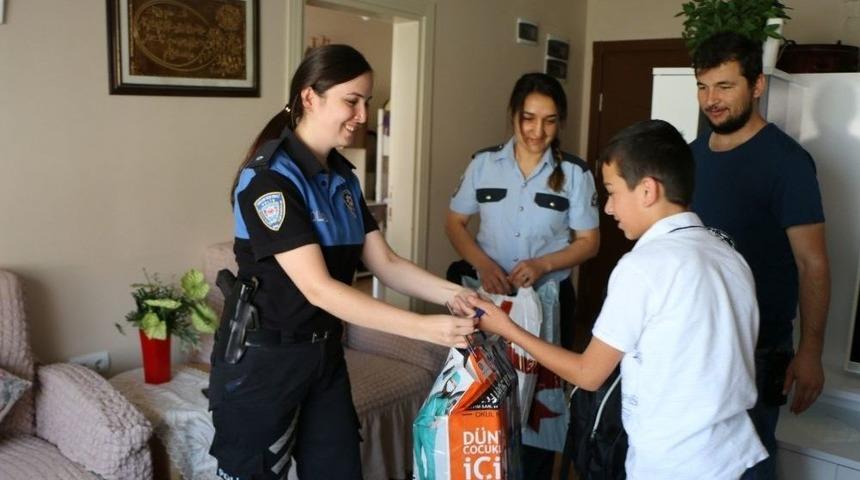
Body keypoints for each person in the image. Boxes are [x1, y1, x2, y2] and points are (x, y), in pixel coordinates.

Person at [207, 44, 477, 480]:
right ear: (310, 98)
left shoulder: (342, 178)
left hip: (324, 356)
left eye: (366, 101)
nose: (364, 115)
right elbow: (318, 288)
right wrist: (425, 327)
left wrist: (457, 295)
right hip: (266, 364)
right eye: (352, 101)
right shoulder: (268, 180)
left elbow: (385, 262)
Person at [470, 119, 768, 479]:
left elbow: (589, 374)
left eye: (612, 192)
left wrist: (507, 327)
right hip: (739, 455)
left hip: (677, 463)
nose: (608, 208)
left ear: (647, 191)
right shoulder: (729, 256)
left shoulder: (643, 267)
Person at [690, 31, 831, 479]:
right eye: (703, 86)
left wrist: (810, 352)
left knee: (747, 465)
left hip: (758, 349)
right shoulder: (689, 157)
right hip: (695, 342)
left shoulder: (787, 163)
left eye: (725, 86)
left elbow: (813, 264)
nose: (711, 100)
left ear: (756, 86)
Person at [445, 72, 599, 477]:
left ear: (560, 122)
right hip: (488, 299)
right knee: (482, 392)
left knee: (540, 410)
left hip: (549, 301)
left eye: (549, 120)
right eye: (528, 118)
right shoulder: (483, 164)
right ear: (513, 116)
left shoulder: (575, 175)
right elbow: (455, 223)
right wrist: (483, 264)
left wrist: (544, 264)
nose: (537, 131)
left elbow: (589, 241)